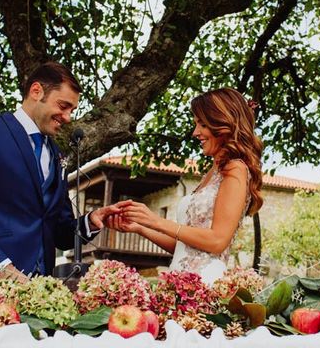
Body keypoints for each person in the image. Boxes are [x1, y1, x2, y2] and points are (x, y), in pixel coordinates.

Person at [0, 61, 119, 282]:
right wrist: (0, 265)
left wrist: (90, 221)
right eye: (63, 106)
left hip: (40, 291)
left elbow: (59, 232)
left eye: (72, 110)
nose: (68, 117)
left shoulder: (56, 153)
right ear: (36, 91)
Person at [106, 88, 263, 284]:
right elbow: (184, 247)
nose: (195, 132)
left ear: (224, 125)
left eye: (202, 124)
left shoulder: (236, 169)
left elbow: (217, 241)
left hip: (206, 283)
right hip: (180, 282)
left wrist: (156, 221)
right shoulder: (213, 172)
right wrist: (140, 227)